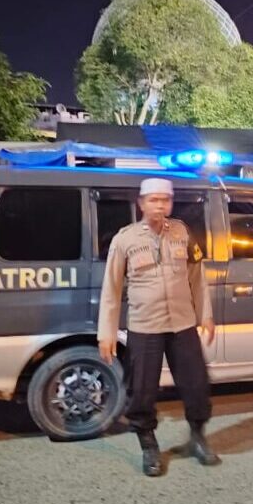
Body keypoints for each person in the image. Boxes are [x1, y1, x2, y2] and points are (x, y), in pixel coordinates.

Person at [97, 178, 219, 477]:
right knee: (142, 391)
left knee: (196, 384)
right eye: (154, 200)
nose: (160, 205)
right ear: (141, 203)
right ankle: (148, 445)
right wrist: (106, 333)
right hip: (145, 326)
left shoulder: (182, 232)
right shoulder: (125, 239)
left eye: (165, 200)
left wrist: (205, 315)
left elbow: (197, 277)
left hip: (182, 324)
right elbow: (111, 289)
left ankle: (197, 437)